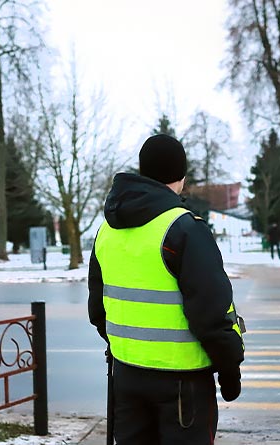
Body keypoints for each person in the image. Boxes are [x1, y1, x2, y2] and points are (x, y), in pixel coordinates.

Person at [88, 134, 244, 445]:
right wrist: (230, 371)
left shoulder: (107, 231)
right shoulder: (184, 228)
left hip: (126, 375)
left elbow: (98, 310)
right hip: (182, 385)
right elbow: (212, 314)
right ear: (181, 177)